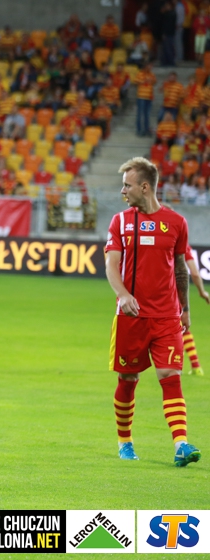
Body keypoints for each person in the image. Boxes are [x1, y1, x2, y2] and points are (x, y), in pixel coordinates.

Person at [105, 156, 199, 466]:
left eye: (127, 185)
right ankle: (125, 442)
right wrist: (123, 294)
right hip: (131, 317)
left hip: (167, 316)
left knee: (170, 375)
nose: (123, 191)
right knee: (128, 378)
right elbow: (111, 265)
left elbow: (181, 269)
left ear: (145, 187)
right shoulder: (120, 222)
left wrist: (185, 309)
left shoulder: (176, 223)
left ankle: (181, 444)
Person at [184, 244, 210, 375]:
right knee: (181, 328)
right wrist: (202, 291)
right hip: (176, 293)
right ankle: (195, 366)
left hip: (154, 292)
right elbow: (194, 273)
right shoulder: (182, 244)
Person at [135, 63, 157, 136]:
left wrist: (150, 80)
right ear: (146, 66)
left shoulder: (152, 74)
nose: (150, 67)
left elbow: (154, 82)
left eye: (151, 66)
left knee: (147, 114)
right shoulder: (140, 73)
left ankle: (146, 130)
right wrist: (144, 80)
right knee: (140, 114)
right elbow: (135, 81)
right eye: (149, 66)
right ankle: (139, 130)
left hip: (149, 97)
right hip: (141, 97)